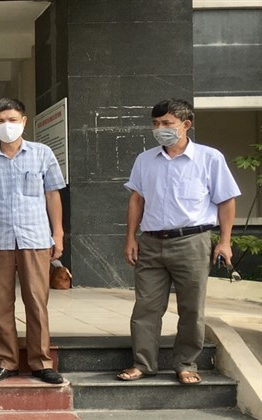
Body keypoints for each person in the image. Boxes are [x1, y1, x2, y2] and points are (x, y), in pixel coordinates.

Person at [118, 99, 240, 385]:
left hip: (192, 242)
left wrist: (225, 241)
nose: (160, 129)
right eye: (155, 123)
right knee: (146, 307)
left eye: (167, 123)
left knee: (191, 308)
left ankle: (185, 364)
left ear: (186, 125)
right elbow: (137, 200)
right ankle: (143, 363)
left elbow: (226, 200)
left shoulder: (210, 158)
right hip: (151, 242)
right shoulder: (145, 160)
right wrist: (130, 238)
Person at [0, 97, 66, 385]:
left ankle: (41, 362)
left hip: (35, 237)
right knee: (1, 303)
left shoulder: (42, 153)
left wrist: (58, 234)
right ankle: (6, 361)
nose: (7, 125)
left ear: (24, 121)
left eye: (12, 120)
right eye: (0, 121)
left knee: (37, 301)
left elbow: (52, 195)